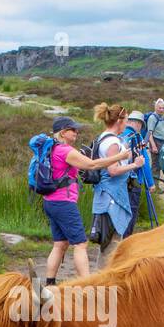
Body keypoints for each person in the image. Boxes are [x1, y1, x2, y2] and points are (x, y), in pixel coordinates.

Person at [42, 116, 128, 284]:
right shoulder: (65, 151)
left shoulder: (51, 149)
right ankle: (88, 284)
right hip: (64, 203)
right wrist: (119, 156)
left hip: (50, 201)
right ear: (63, 132)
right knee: (80, 244)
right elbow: (92, 165)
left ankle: (49, 283)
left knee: (59, 244)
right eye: (73, 130)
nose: (77, 132)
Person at [88, 103, 146, 263]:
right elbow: (113, 170)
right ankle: (105, 282)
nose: (127, 124)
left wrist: (125, 148)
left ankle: (104, 280)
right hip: (111, 198)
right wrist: (135, 164)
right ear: (119, 121)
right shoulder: (113, 142)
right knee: (111, 244)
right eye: (126, 120)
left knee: (109, 244)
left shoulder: (105, 138)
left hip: (107, 195)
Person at [146, 99, 164, 167]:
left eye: (163, 108)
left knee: (162, 161)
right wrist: (153, 146)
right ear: (155, 107)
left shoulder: (163, 116)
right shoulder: (152, 118)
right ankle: (154, 177)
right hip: (156, 141)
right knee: (156, 164)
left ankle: (158, 177)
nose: (161, 110)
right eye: (159, 108)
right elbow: (149, 133)